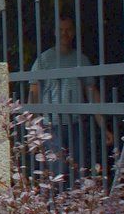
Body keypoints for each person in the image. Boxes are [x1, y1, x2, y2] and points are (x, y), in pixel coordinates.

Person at [28, 15, 113, 179]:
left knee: (78, 171)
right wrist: (33, 130)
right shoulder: (43, 60)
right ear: (54, 32)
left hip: (76, 125)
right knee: (58, 172)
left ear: (73, 32)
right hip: (50, 126)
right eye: (60, 30)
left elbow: (92, 94)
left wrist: (104, 127)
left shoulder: (81, 59)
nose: (64, 33)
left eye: (68, 30)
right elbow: (34, 95)